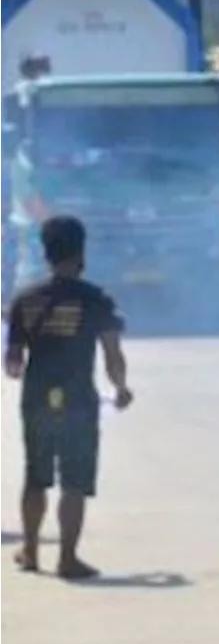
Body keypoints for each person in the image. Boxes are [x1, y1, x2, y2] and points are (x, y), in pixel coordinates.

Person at [6, 215, 132, 580]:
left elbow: (13, 363)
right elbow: (112, 355)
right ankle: (67, 558)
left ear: (45, 253)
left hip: (36, 399)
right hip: (78, 400)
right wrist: (121, 389)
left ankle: (29, 551)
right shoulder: (96, 300)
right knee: (74, 480)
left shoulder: (24, 300)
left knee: (36, 476)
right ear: (80, 252)